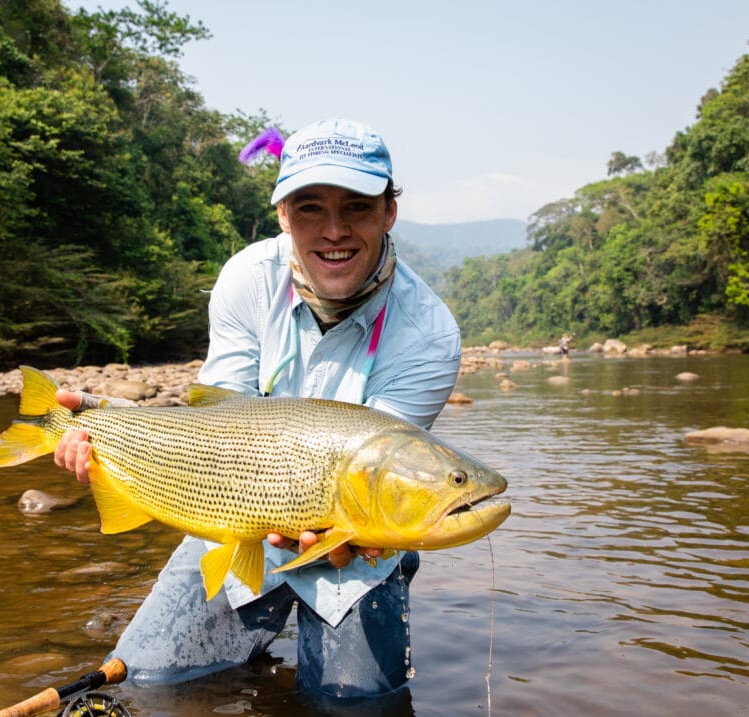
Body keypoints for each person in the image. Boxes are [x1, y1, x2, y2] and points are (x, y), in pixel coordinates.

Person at [53, 117, 462, 700]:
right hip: (233, 515)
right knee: (148, 685)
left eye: (357, 207)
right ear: (281, 215)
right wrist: (109, 423)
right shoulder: (248, 279)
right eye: (310, 208)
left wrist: (356, 529)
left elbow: (387, 475)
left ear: (389, 212)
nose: (334, 231)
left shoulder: (428, 334)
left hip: (356, 548)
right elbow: (215, 422)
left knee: (357, 708)